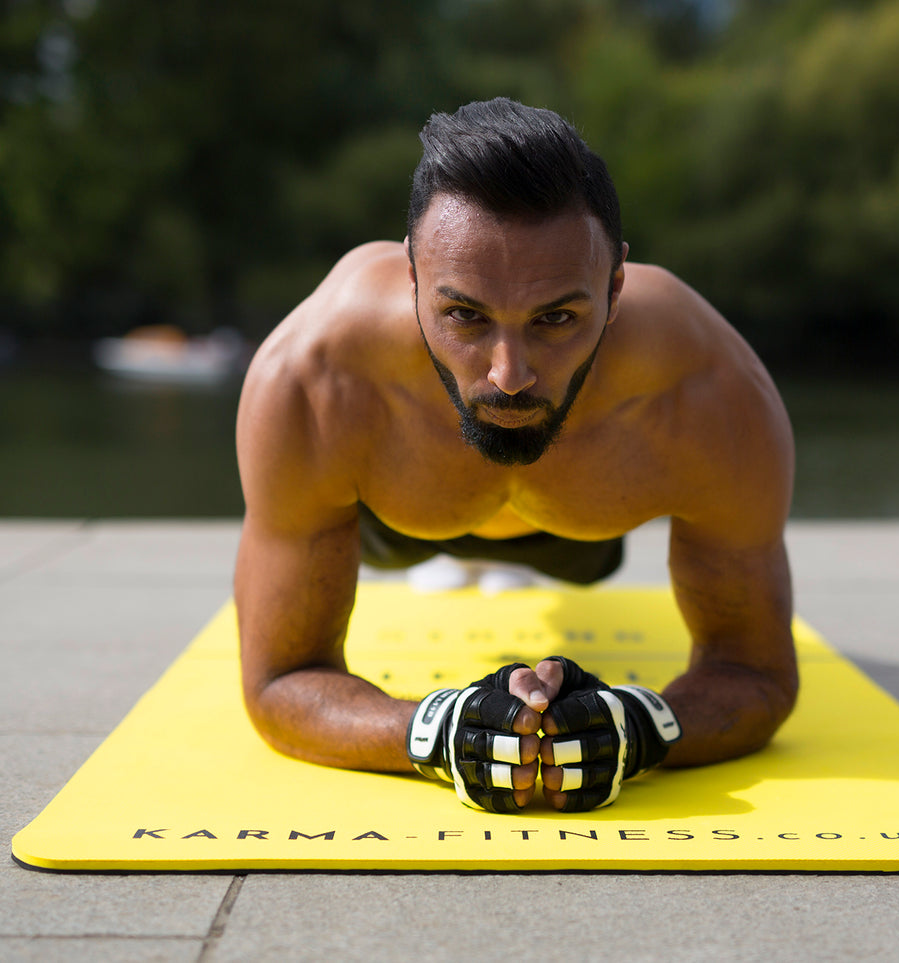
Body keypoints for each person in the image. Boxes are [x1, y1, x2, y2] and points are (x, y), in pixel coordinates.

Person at [234, 97, 797, 814]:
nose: (509, 374)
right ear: (412, 280)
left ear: (615, 289)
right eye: (465, 315)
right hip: (399, 518)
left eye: (556, 318)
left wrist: (635, 726)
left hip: (578, 533)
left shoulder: (710, 391)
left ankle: (493, 552)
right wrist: (438, 733)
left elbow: (756, 673)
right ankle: (457, 556)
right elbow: (278, 680)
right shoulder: (312, 378)